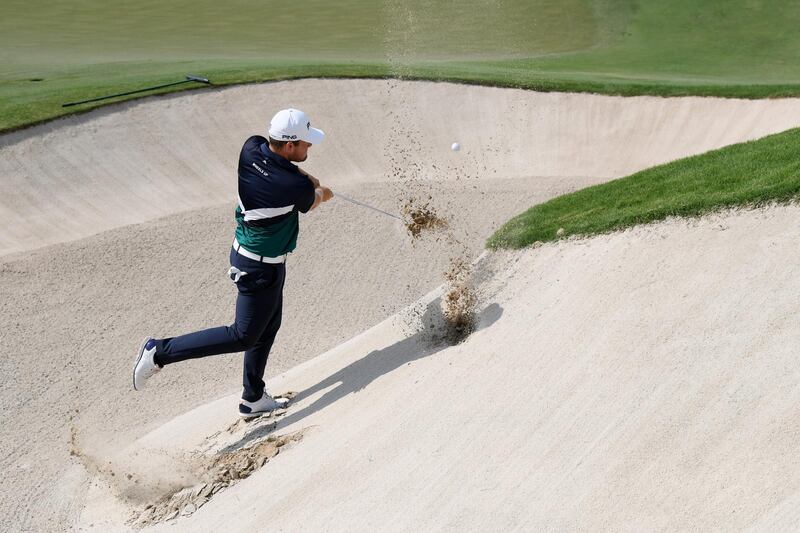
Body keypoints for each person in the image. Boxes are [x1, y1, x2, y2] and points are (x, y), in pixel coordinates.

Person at [132, 108, 334, 418]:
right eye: (307, 144)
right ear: (290, 146)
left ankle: (253, 397)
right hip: (258, 268)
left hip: (261, 259)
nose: (310, 148)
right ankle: (159, 352)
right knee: (243, 335)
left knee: (269, 325)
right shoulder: (291, 188)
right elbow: (315, 197)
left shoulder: (251, 147)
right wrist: (322, 191)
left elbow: (301, 182)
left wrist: (307, 180)